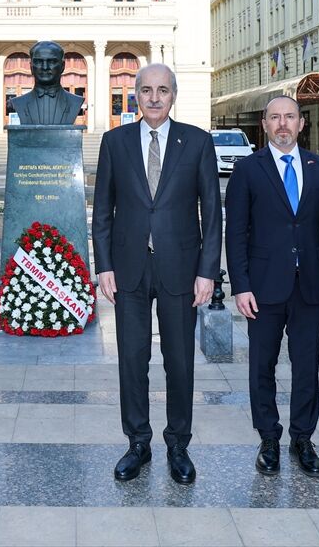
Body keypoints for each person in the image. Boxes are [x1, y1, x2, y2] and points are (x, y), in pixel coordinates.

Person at [91, 63, 220, 485]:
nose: (153, 97)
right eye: (145, 90)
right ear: (136, 95)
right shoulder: (115, 142)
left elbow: (212, 213)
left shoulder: (198, 143)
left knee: (180, 361)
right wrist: (104, 265)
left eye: (162, 90)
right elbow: (102, 213)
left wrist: (207, 272)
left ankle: (178, 444)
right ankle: (138, 442)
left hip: (180, 269)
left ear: (173, 95)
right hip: (128, 269)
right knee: (132, 358)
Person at [225, 95, 319, 478]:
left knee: (306, 366)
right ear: (264, 125)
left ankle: (302, 439)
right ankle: (269, 438)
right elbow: (237, 233)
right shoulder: (248, 169)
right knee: (262, 366)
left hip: (310, 286)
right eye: (275, 118)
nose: (282, 124)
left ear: (301, 123)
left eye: (289, 117)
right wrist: (240, 285)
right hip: (262, 288)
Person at [6, 41, 85, 125]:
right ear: (31, 67)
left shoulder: (75, 102)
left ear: (62, 66)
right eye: (38, 62)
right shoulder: (19, 103)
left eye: (51, 62)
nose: (45, 67)